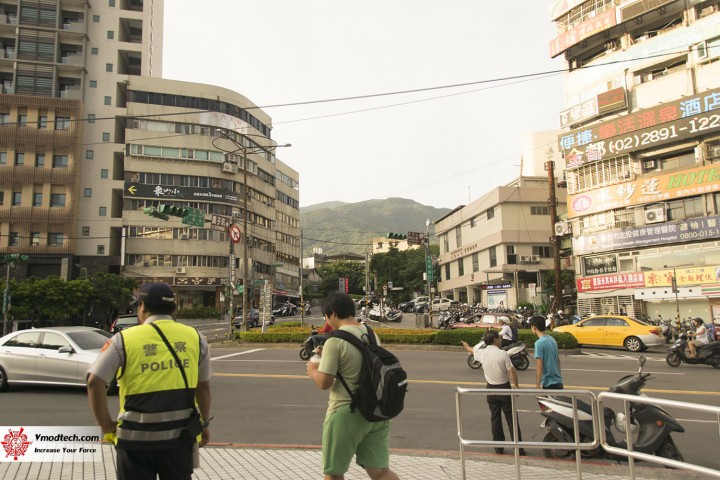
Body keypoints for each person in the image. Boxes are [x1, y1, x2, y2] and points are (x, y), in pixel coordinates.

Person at [87, 282, 212, 480]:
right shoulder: (195, 337)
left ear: (142, 306)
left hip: (134, 441)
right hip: (180, 439)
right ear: (174, 308)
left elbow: (94, 382)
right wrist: (204, 423)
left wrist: (107, 426)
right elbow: (203, 388)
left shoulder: (123, 340)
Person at [306, 291, 399, 480]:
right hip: (376, 411)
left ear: (332, 313)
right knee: (380, 472)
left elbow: (325, 383)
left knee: (333, 473)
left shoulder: (335, 341)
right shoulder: (371, 334)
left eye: (326, 316)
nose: (327, 320)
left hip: (346, 413)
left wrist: (313, 369)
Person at [462, 331, 525, 456]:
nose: (501, 340)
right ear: (495, 340)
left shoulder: (483, 353)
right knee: (511, 418)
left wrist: (466, 346)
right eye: (500, 338)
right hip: (504, 388)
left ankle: (498, 447)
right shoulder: (503, 354)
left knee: (495, 418)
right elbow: (511, 371)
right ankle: (518, 447)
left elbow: (472, 351)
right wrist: (516, 387)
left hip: (490, 389)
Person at [530, 315, 563, 390]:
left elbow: (539, 366)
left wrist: (538, 386)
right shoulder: (552, 340)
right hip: (558, 382)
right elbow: (558, 361)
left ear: (534, 327)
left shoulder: (539, 343)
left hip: (548, 384)